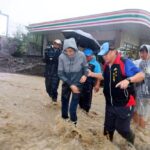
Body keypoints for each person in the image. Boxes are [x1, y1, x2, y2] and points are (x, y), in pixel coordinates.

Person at [98, 42, 144, 145]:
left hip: (124, 104)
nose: (104, 57)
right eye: (103, 55)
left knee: (122, 129)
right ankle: (108, 146)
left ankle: (131, 141)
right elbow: (105, 77)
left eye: (106, 54)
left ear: (114, 51)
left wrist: (128, 80)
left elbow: (141, 75)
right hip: (110, 104)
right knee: (107, 130)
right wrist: (92, 74)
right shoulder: (106, 65)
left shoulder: (125, 63)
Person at [58, 38, 88, 126]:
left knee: (72, 108)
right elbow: (60, 73)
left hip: (78, 83)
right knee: (64, 102)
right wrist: (70, 85)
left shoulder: (81, 55)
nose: (69, 53)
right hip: (67, 82)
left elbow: (86, 67)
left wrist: (85, 75)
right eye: (66, 51)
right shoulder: (61, 57)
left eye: (71, 51)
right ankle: (64, 120)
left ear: (75, 49)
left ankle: (74, 125)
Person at [79, 48, 103, 113]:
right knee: (79, 99)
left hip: (88, 86)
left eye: (87, 56)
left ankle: (86, 112)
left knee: (87, 100)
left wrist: (97, 85)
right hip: (80, 84)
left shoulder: (96, 64)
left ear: (91, 55)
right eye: (85, 56)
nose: (86, 57)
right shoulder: (81, 61)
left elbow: (99, 76)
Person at [134, 44, 150, 128]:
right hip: (139, 92)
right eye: (141, 52)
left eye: (144, 52)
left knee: (143, 116)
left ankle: (141, 130)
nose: (142, 54)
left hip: (147, 95)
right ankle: (138, 131)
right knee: (136, 111)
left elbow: (144, 76)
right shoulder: (140, 63)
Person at [43, 39, 62, 104]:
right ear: (53, 43)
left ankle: (54, 99)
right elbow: (44, 60)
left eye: (58, 44)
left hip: (56, 72)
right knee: (48, 87)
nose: (57, 45)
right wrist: (48, 57)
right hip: (48, 71)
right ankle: (51, 95)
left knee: (54, 87)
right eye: (56, 43)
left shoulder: (61, 52)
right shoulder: (47, 50)